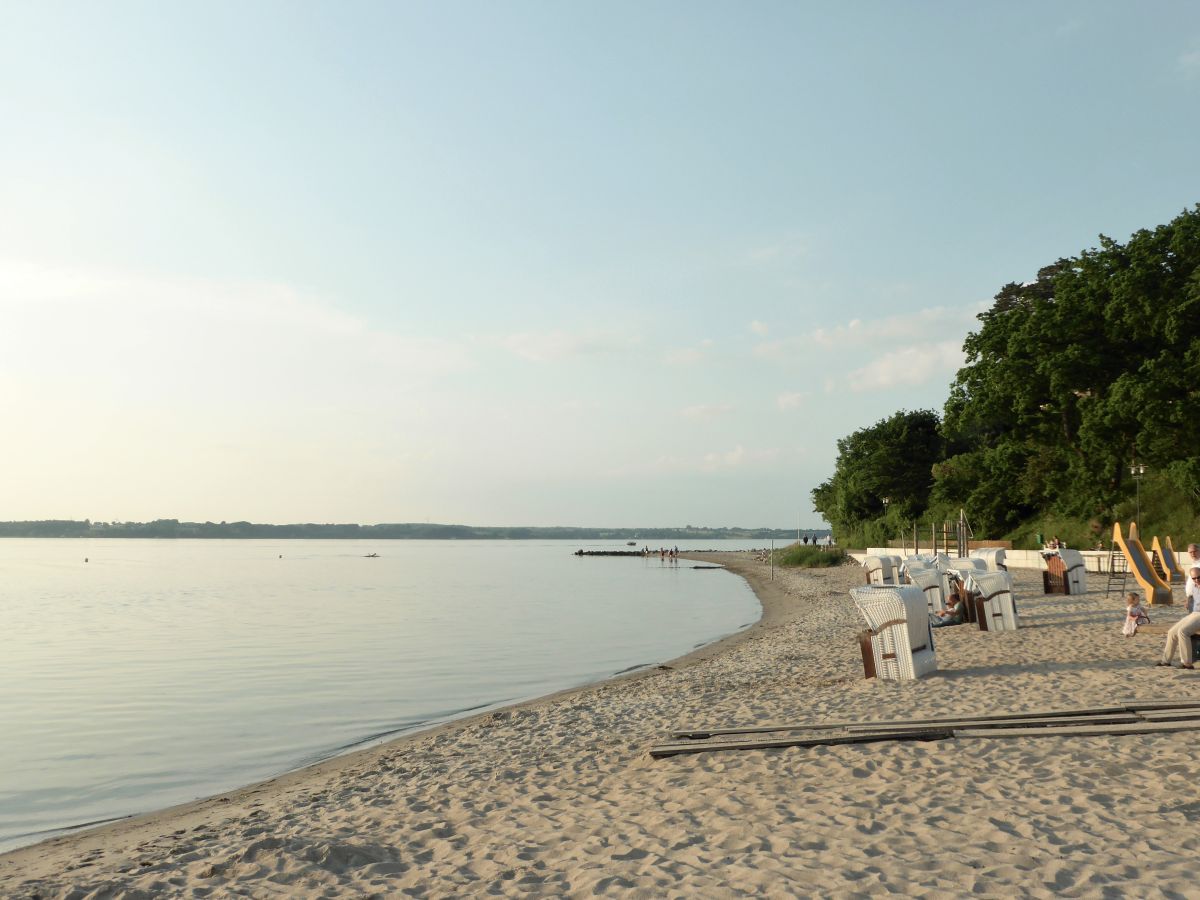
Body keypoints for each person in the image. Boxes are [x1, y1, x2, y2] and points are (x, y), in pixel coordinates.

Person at [1157, 569, 1200, 668]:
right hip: (1194, 613)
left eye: (1199, 577)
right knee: (1172, 632)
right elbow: (1192, 598)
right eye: (1194, 578)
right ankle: (1166, 661)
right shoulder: (1194, 587)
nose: (1197, 580)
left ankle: (1187, 663)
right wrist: (1187, 602)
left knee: (1183, 631)